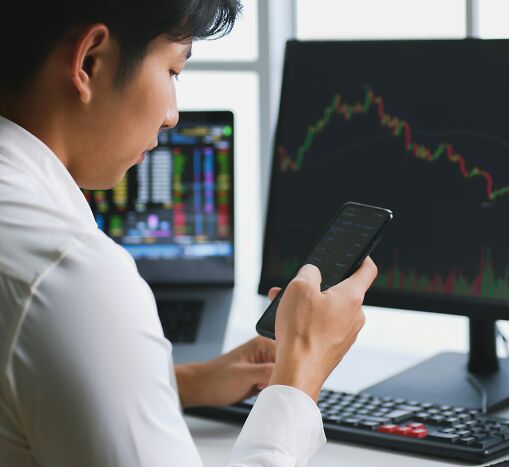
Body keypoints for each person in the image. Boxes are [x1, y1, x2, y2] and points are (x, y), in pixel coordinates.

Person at [0, 1, 377, 465]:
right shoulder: (72, 275)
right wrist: (300, 372)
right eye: (174, 71)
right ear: (90, 62)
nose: (172, 115)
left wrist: (181, 381)